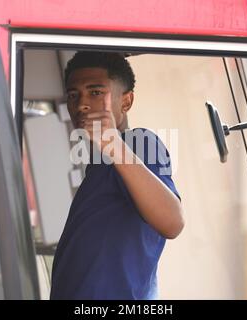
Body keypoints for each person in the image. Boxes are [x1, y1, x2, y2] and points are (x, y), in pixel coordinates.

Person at [50, 51, 184, 300]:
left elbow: (172, 222)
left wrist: (113, 144)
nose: (81, 104)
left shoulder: (137, 142)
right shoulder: (101, 162)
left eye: (96, 92)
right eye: (73, 95)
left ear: (126, 101)